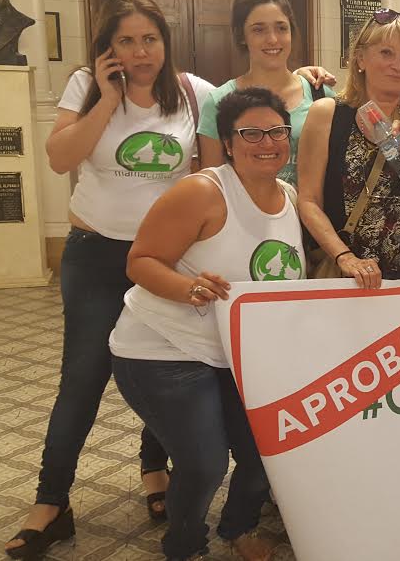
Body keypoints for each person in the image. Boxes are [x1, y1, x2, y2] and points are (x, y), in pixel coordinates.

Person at [6, 0, 213, 558]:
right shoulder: (85, 86)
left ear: (165, 42)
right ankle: (51, 501)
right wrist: (109, 98)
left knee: (164, 367)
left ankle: (154, 469)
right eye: (126, 41)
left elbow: (213, 169)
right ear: (107, 46)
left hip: (165, 259)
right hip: (95, 255)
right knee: (83, 377)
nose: (140, 51)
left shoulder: (193, 93)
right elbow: (60, 158)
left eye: (150, 39)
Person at [111, 87, 299, 560]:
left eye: (277, 131)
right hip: (162, 349)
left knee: (266, 454)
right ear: (228, 143)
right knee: (203, 464)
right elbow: (140, 261)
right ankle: (185, 543)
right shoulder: (202, 192)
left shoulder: (290, 198)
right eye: (250, 133)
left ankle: (239, 527)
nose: (267, 142)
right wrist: (188, 288)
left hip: (234, 356)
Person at [296, 9, 400, 288]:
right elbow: (308, 200)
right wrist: (345, 257)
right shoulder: (327, 113)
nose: (398, 65)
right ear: (360, 58)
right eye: (386, 53)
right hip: (348, 277)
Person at [198, 0, 336, 185]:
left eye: (281, 28)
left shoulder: (321, 95)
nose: (272, 39)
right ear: (242, 36)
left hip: (309, 205)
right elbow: (212, 185)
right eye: (259, 30)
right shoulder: (218, 101)